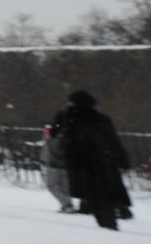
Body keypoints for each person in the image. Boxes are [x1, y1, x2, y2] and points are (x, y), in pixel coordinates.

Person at [56, 91, 131, 230]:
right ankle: (113, 216)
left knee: (96, 197)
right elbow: (113, 141)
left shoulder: (70, 119)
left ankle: (108, 220)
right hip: (102, 163)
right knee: (104, 194)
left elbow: (64, 139)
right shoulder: (99, 119)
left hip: (84, 165)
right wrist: (121, 159)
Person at [41, 117, 76, 213]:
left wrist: (47, 134)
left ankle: (67, 204)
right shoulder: (70, 134)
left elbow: (49, 146)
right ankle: (68, 205)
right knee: (65, 187)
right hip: (67, 165)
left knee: (51, 186)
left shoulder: (54, 135)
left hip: (54, 165)